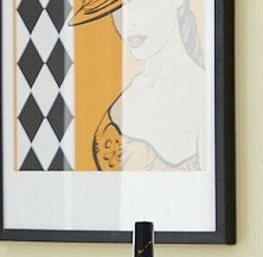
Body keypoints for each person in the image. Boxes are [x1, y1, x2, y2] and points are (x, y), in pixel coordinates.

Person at [70, 0, 207, 171]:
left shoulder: (204, 98)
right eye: (117, 8)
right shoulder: (136, 86)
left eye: (138, 2)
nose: (128, 19)